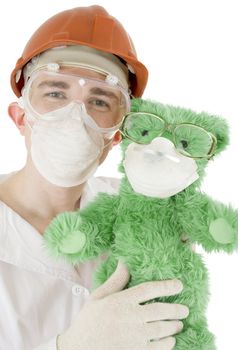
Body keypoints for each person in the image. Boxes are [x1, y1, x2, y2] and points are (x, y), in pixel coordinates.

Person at [0, 5, 189, 350]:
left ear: (116, 136)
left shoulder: (137, 213)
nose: (76, 116)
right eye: (55, 93)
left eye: (100, 101)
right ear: (20, 117)